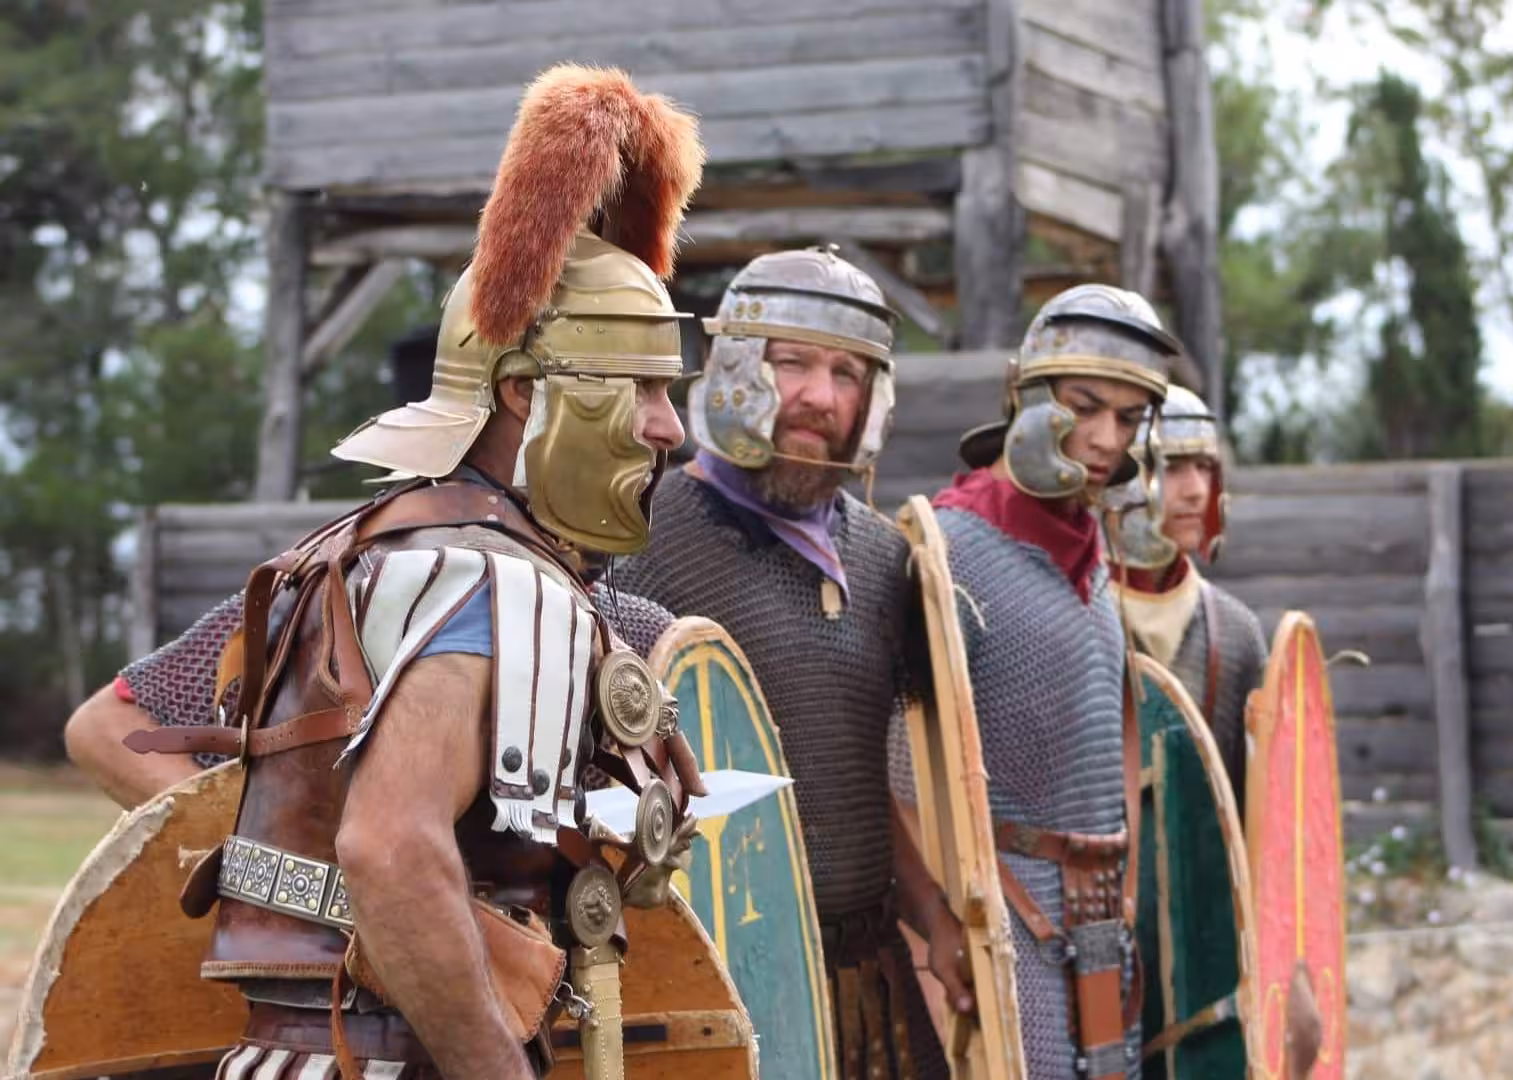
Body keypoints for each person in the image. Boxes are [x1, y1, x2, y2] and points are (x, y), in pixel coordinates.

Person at [69, 65, 706, 1079]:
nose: (671, 429)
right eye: (641, 390)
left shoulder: (357, 554)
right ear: (519, 393)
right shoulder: (496, 582)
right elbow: (390, 851)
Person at [613, 246, 966, 1078]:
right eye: (792, 362)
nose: (818, 396)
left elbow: (851, 787)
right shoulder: (643, 537)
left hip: (870, 973)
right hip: (718, 972)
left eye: (846, 373)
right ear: (734, 364)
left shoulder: (882, 560)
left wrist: (934, 916)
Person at [921, 284, 1177, 1079]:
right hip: (1005, 918)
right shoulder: (950, 549)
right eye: (1085, 406)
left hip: (1100, 922)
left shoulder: (1092, 554)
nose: (1106, 439)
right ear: (1026, 395)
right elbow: (912, 778)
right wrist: (941, 926)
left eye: (1130, 419)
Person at [1108, 384, 1266, 803]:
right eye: (1173, 466)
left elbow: (1258, 805)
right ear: (1124, 475)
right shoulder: (1070, 614)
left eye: (1205, 467)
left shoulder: (1235, 632)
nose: (1197, 489)